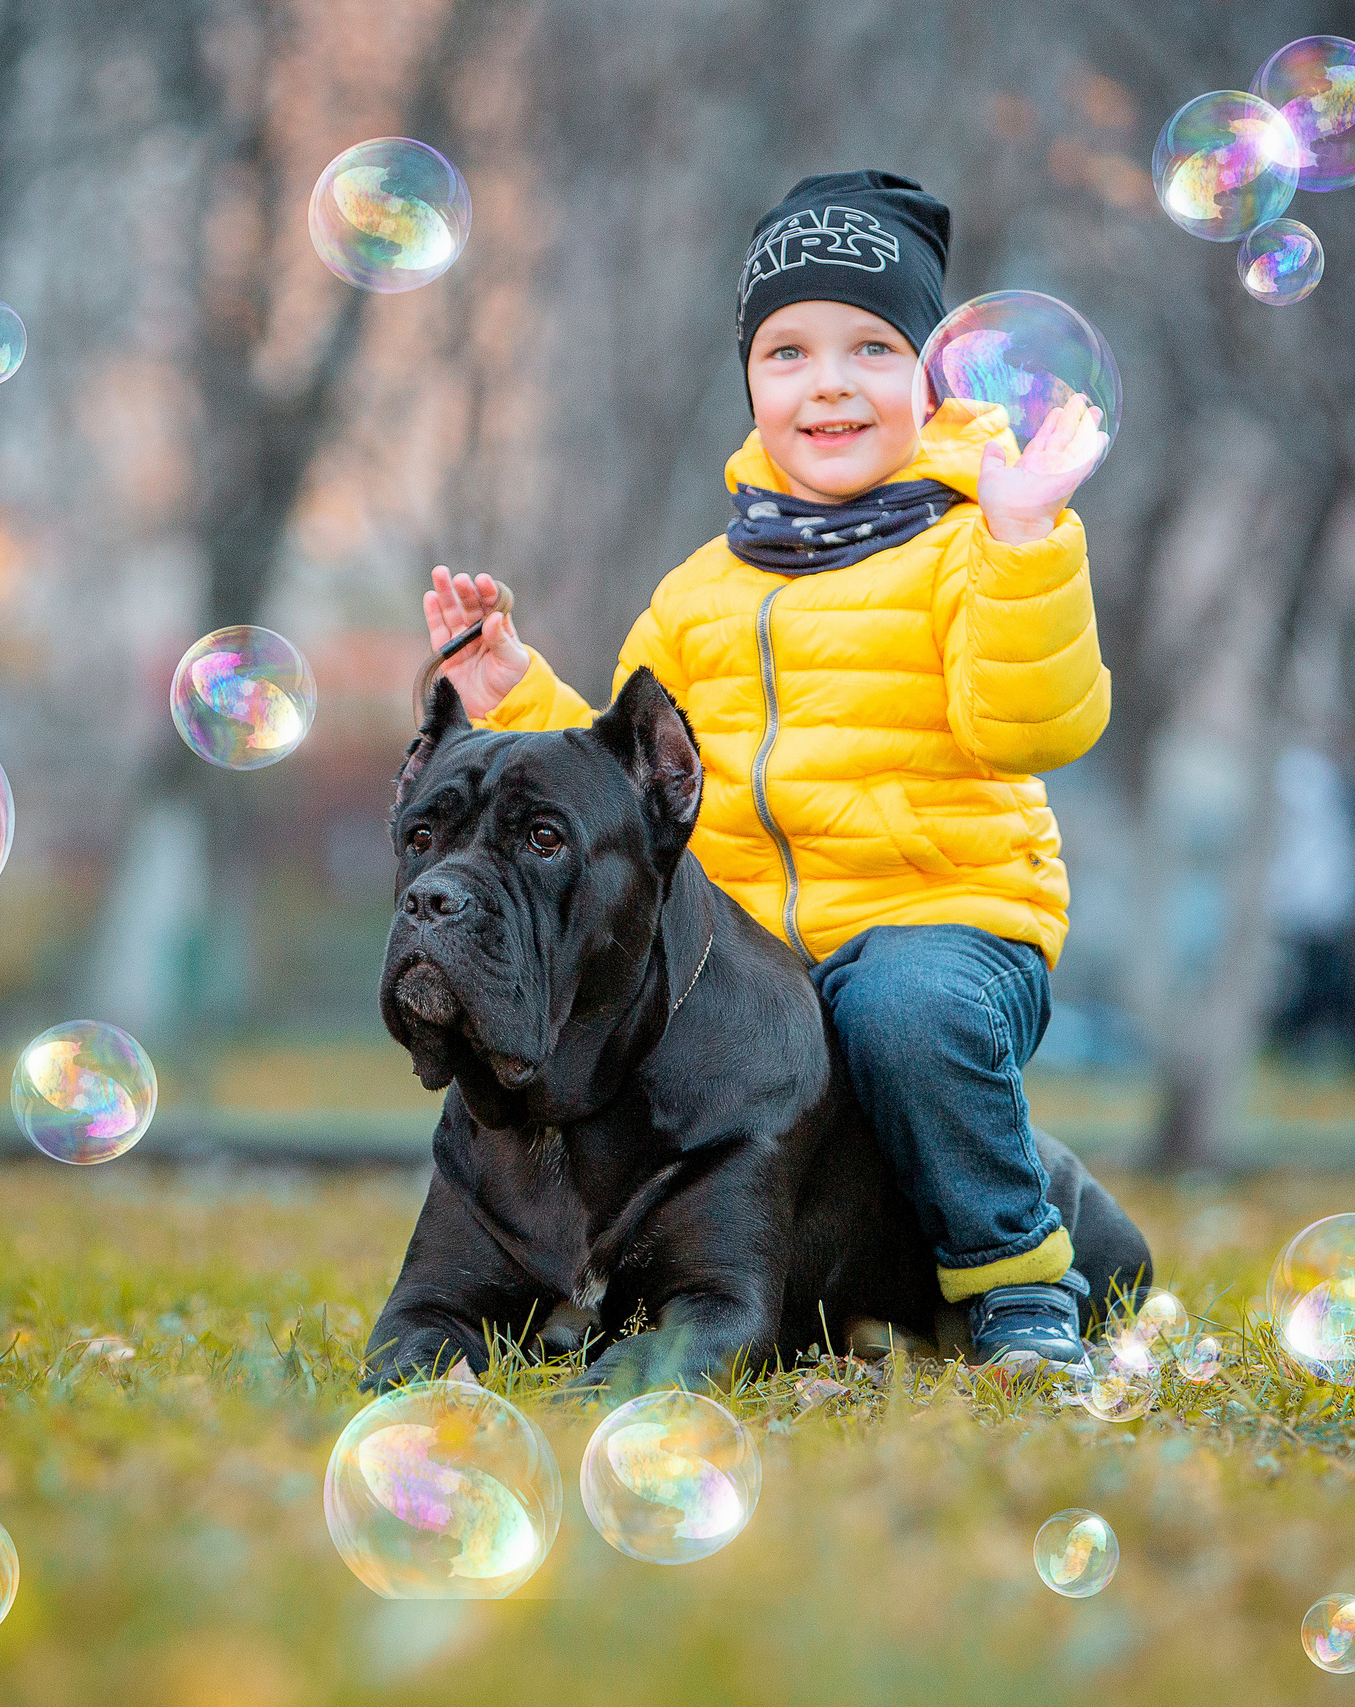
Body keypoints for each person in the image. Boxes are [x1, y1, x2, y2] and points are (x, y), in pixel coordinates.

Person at [419, 170, 1112, 1373]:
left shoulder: (977, 542)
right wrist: (511, 696)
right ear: (749, 380)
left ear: (933, 381)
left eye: (872, 348)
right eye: (787, 351)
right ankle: (664, 1287)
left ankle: (1018, 1291)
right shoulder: (701, 592)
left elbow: (1031, 723)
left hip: (940, 927)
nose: (828, 381)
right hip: (755, 955)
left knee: (908, 1018)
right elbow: (622, 788)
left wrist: (1024, 541)